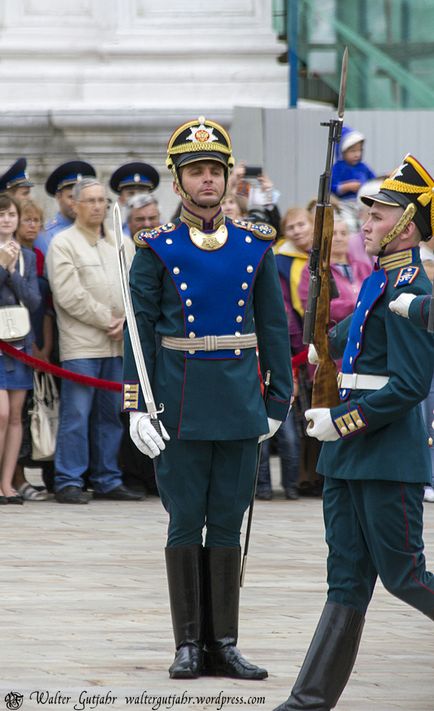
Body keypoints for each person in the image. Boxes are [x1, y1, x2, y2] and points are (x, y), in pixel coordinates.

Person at [123, 116, 293, 680]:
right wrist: (136, 405)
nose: (206, 181)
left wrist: (277, 402)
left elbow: (273, 328)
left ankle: (225, 643)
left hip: (241, 402)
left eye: (214, 171)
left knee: (227, 520)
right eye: (195, 171)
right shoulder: (157, 248)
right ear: (178, 182)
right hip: (180, 404)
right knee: (183, 522)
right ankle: (188, 645)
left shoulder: (255, 245)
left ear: (228, 179)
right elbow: (139, 332)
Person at [273, 154, 434, 711]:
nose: (363, 226)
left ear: (407, 226)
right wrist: (323, 340)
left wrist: (340, 422)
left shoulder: (411, 286)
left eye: (377, 218)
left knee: (405, 577)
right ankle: (309, 700)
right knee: (345, 580)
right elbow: (351, 331)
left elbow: (411, 384)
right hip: (346, 459)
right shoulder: (379, 281)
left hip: (385, 453)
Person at [46, 178, 143, 504]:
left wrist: (127, 321)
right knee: (76, 415)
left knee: (111, 415)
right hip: (82, 344)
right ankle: (69, 479)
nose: (98, 205)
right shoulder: (63, 243)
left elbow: (137, 287)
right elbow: (69, 294)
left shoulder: (122, 242)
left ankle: (106, 478)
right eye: (90, 200)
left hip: (117, 344)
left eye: (103, 199)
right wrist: (108, 319)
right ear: (74, 204)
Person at [0, 195, 41, 504]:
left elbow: (34, 299)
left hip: (19, 343)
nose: (6, 220)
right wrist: (2, 266)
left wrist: (12, 271)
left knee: (16, 416)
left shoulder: (27, 255)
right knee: (0, 414)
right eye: (1, 214)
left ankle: (6, 483)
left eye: (11, 214)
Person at [14, 199, 53, 501]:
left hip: (32, 339)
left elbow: (43, 305)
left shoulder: (36, 255)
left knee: (24, 414)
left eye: (36, 220)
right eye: (26, 219)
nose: (32, 226)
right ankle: (13, 476)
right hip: (11, 342)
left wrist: (44, 345)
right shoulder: (13, 257)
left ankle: (19, 474)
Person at [35, 160, 97, 256]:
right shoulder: (46, 236)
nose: (77, 203)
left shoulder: (97, 232)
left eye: (82, 197)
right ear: (59, 197)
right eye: (71, 197)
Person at [331, 126, 376, 233]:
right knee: (349, 225)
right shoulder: (338, 167)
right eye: (352, 151)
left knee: (364, 224)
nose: (357, 154)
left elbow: (373, 181)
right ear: (342, 152)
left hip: (362, 203)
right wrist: (346, 187)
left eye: (359, 150)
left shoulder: (363, 167)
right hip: (345, 204)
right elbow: (331, 187)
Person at [109, 161, 160, 234]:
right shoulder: (114, 237)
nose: (136, 198)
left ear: (151, 198)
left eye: (142, 192)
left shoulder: (167, 233)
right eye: (131, 194)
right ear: (121, 199)